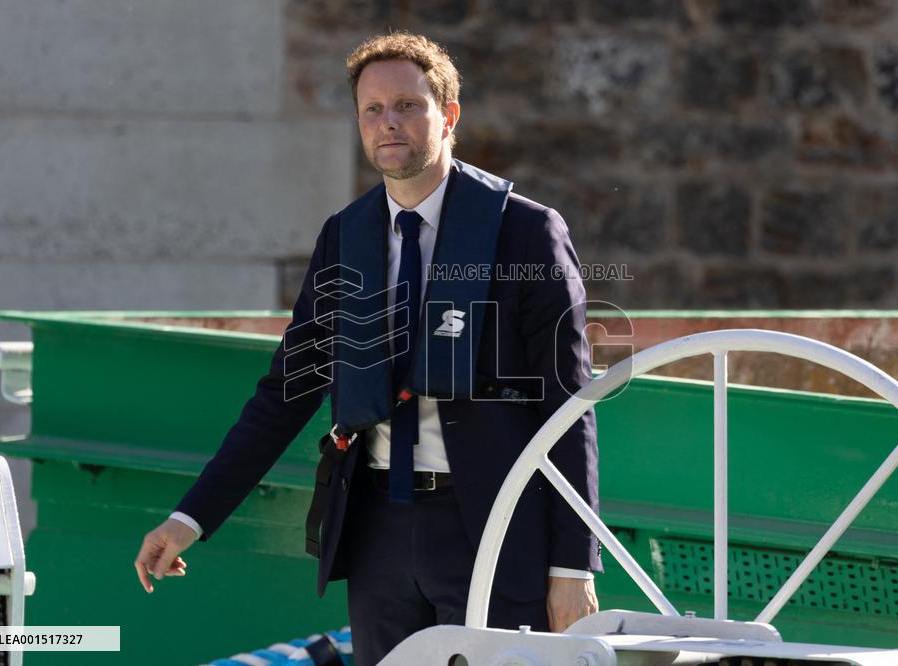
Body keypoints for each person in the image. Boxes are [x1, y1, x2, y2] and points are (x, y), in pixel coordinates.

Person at [134, 31, 601, 665]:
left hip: (494, 528)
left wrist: (573, 565)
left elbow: (568, 405)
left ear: (449, 114)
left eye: (407, 105)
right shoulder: (344, 238)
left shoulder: (526, 232)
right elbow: (285, 393)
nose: (389, 123)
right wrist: (189, 519)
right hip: (378, 527)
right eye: (372, 110)